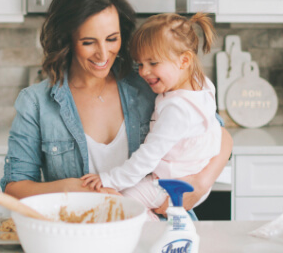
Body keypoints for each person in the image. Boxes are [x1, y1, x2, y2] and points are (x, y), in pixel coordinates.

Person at [0, 0, 233, 221]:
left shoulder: (149, 82)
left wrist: (200, 184)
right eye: (89, 42)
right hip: (80, 237)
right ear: (67, 40)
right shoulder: (36, 103)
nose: (103, 53)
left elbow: (219, 134)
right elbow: (13, 188)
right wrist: (68, 189)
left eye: (112, 39)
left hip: (163, 237)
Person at [81, 12, 222, 221]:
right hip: (190, 175)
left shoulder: (178, 110)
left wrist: (110, 180)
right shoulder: (199, 84)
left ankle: (156, 236)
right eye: (139, 64)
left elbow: (147, 157)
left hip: (173, 182)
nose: (143, 72)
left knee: (124, 205)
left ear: (184, 60)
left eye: (153, 63)